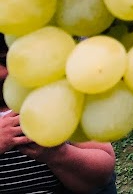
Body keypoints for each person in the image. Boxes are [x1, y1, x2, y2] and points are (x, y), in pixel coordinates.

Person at [0, 34, 117, 194]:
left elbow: (102, 172)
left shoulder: (57, 95)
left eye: (6, 60)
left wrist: (57, 154)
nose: (2, 73)